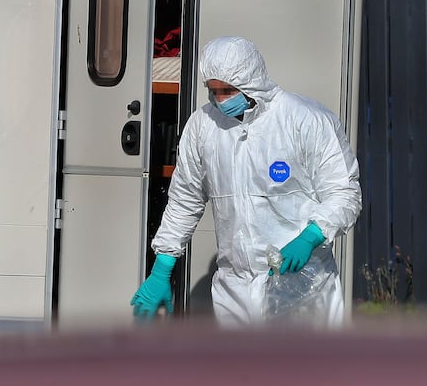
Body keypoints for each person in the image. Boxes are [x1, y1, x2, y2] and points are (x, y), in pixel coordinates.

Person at [130, 36, 362, 327]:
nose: (220, 99)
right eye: (213, 91)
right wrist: (162, 268)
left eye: (228, 90)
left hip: (303, 287)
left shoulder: (305, 119)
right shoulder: (204, 126)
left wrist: (310, 237)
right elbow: (184, 198)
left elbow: (344, 192)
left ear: (252, 81)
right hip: (234, 291)